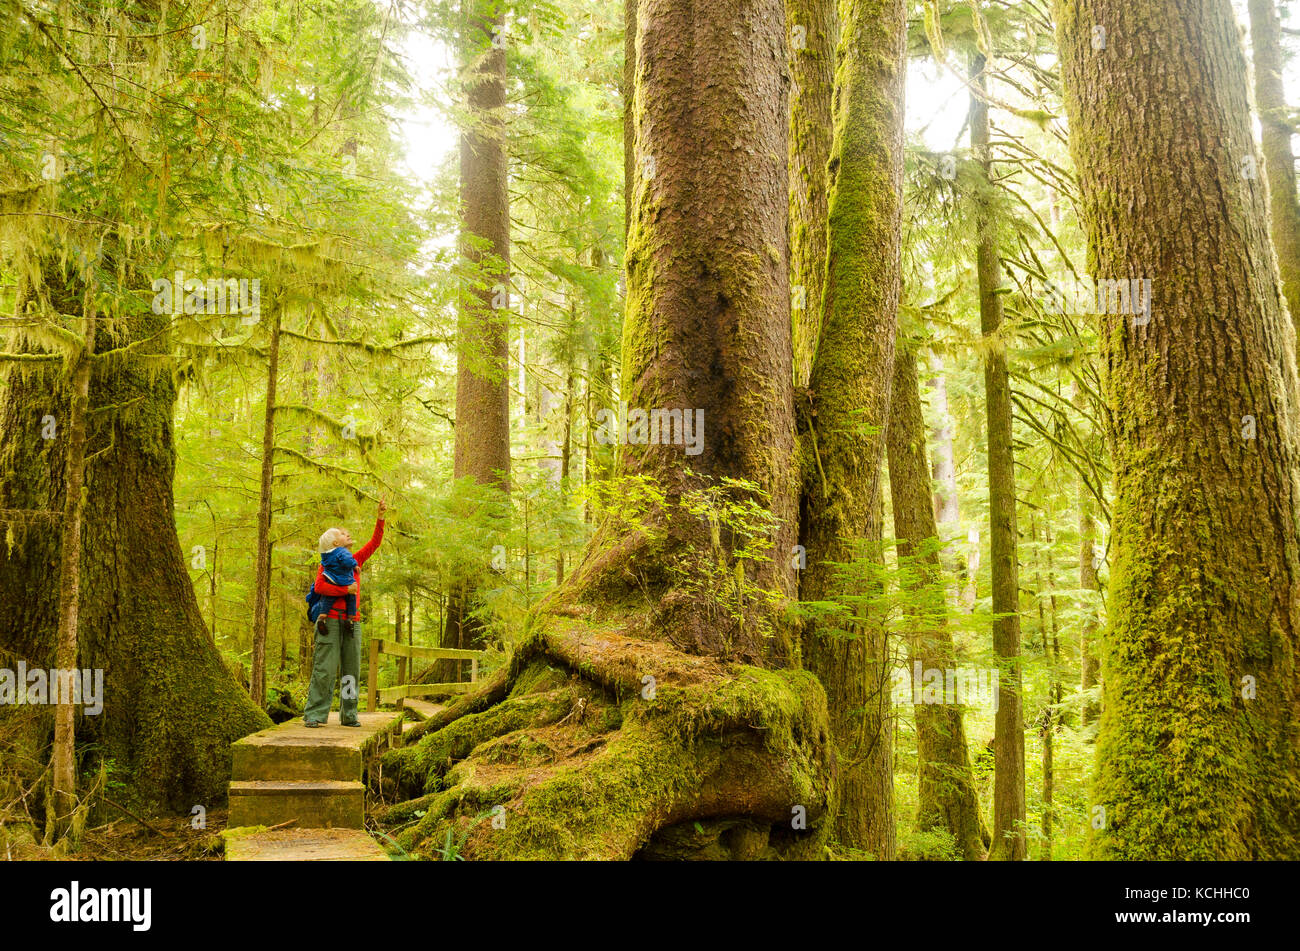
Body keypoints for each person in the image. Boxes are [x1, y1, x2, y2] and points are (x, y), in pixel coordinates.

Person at [303, 496, 387, 728]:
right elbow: (320, 587)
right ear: (335, 544)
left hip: (353, 622)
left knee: (351, 670)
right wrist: (345, 589)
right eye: (343, 533)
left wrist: (380, 518)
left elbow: (374, 543)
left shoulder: (356, 559)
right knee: (325, 670)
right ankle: (315, 714)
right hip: (328, 621)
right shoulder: (326, 564)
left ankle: (349, 714)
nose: (348, 535)